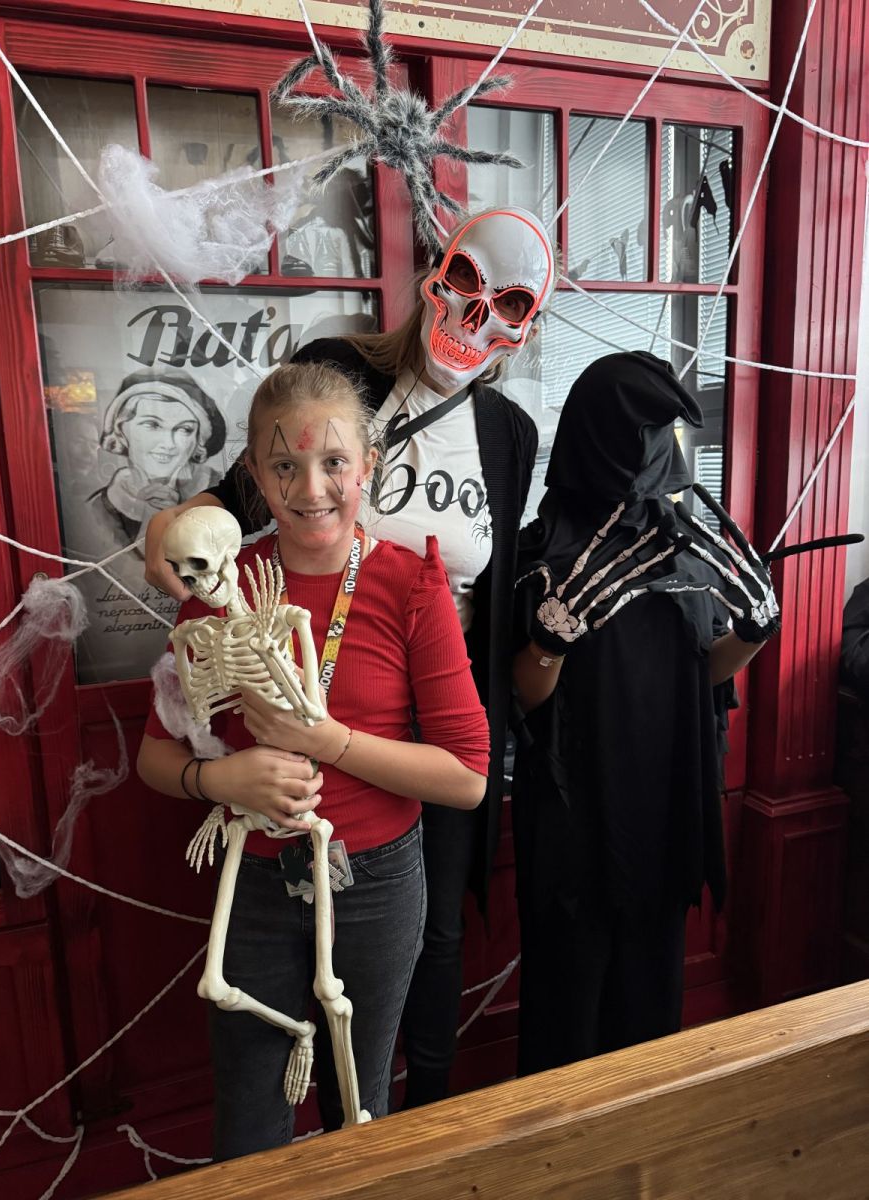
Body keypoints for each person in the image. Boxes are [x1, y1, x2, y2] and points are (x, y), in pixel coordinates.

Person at [143, 206, 555, 1107]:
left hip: (434, 692)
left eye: (510, 305)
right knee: (294, 945)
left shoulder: (510, 434)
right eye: (466, 284)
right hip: (310, 665)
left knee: (431, 936)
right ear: (434, 277)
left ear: (528, 327)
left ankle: (414, 1131)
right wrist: (171, 525)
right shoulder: (341, 369)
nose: (476, 316)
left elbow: (497, 588)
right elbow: (248, 484)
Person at [137, 361, 489, 1158]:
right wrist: (217, 778)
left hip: (377, 882)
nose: (312, 488)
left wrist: (328, 742)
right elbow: (155, 757)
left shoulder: (412, 584)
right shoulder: (217, 588)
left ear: (368, 465)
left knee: (359, 1105)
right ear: (255, 476)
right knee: (249, 1118)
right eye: (285, 466)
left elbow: (468, 776)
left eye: (334, 462)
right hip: (255, 878)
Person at [510, 351, 777, 1075]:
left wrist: (754, 632)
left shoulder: (684, 546)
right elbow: (522, 700)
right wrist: (551, 638)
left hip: (664, 802)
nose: (659, 451)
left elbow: (703, 675)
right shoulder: (542, 550)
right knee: (568, 1011)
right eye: (645, 431)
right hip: (574, 813)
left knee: (651, 1010)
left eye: (666, 434)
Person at [88, 368, 225, 548]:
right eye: (152, 425)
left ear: (198, 440)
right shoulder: (99, 508)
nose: (169, 444)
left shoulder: (220, 492)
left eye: (185, 429)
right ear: (121, 429)